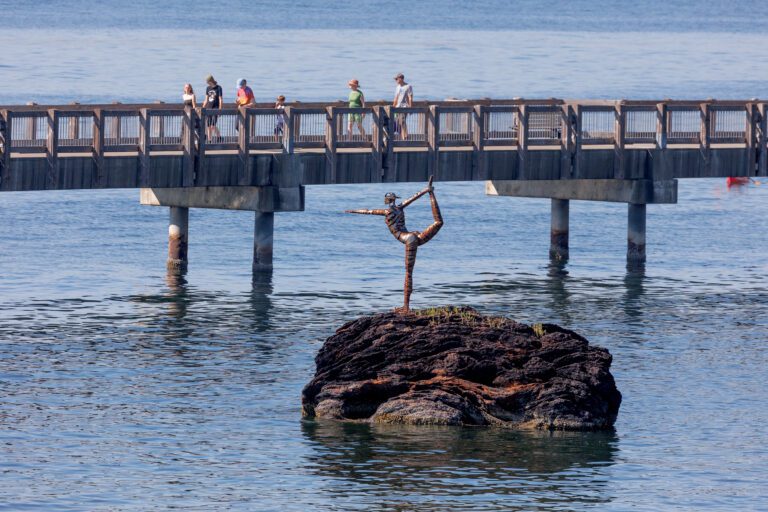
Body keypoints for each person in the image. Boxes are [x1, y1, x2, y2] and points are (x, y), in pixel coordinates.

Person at [345, 176, 442, 312]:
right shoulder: (400, 207)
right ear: (394, 200)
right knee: (438, 222)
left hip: (408, 239)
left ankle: (406, 307)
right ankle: (433, 195)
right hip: (413, 236)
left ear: (386, 201)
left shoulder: (386, 212)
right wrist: (428, 191)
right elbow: (414, 197)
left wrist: (353, 211)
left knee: (408, 273)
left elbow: (368, 211)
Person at [202, 74, 223, 140]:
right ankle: (209, 140)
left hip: (215, 108)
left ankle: (219, 137)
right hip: (208, 108)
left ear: (211, 81)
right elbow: (206, 99)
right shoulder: (208, 88)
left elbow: (220, 99)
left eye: (208, 81)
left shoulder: (219, 88)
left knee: (213, 125)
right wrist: (202, 108)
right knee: (208, 126)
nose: (207, 83)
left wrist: (220, 109)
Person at [392, 73, 413, 140]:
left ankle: (406, 137)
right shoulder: (397, 87)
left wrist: (410, 107)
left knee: (402, 121)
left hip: (404, 106)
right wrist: (393, 107)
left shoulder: (408, 86)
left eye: (397, 79)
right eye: (396, 79)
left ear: (401, 79)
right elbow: (396, 98)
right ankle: (403, 137)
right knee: (399, 122)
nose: (396, 80)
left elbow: (410, 97)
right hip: (397, 107)